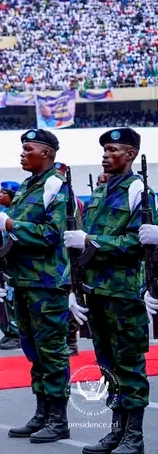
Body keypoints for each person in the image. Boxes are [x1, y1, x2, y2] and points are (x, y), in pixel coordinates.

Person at [63, 128, 151, 454]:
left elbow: (138, 244)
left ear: (130, 154)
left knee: (129, 367)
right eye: (104, 150)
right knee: (107, 368)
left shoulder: (140, 192)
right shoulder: (100, 193)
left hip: (122, 294)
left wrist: (90, 240)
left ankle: (134, 436)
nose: (105, 155)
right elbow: (78, 249)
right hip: (95, 292)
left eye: (113, 149)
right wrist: (72, 289)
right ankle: (116, 430)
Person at [0, 129, 71, 443]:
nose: (22, 154)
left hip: (46, 284)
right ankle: (42, 411)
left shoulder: (56, 186)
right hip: (23, 282)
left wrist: (10, 223)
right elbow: (12, 238)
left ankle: (58, 418)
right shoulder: (27, 186)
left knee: (51, 353)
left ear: (46, 153)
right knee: (33, 351)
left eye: (28, 149)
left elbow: (52, 234)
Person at [0, 180, 21, 351]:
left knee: (10, 300)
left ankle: (16, 335)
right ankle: (7, 332)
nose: (0, 195)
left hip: (12, 265)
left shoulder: (15, 216)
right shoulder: (1, 214)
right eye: (0, 192)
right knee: (1, 300)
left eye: (4, 193)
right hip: (1, 263)